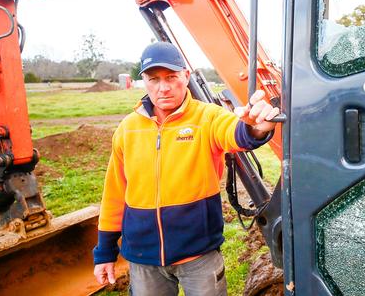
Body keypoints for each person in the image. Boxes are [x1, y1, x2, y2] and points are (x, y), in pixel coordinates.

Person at [92, 42, 279, 295]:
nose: (164, 87)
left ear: (186, 76)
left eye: (171, 77)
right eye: (154, 79)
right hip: (143, 257)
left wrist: (256, 126)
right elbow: (114, 193)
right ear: (144, 81)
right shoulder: (128, 129)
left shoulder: (208, 117)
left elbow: (237, 132)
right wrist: (104, 251)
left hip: (198, 254)